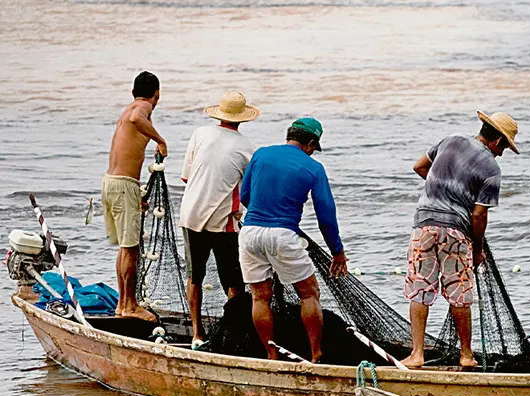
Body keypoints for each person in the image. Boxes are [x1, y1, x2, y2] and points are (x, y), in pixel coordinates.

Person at [401, 111, 520, 369]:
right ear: (497, 141)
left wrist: (442, 186)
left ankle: (417, 354)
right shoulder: (491, 168)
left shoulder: (450, 140)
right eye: (504, 148)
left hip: (424, 226)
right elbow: (478, 215)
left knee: (420, 289)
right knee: (459, 294)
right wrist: (478, 249)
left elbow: (419, 167)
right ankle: (466, 355)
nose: (502, 154)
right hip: (456, 231)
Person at [238, 117, 348, 362]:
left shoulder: (261, 154)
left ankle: (271, 354)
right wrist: (337, 251)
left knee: (260, 296)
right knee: (309, 293)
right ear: (310, 143)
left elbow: (245, 195)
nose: (312, 152)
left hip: (250, 231)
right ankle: (316, 354)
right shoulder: (314, 168)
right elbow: (326, 216)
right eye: (313, 147)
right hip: (283, 235)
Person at [179, 91, 258, 344]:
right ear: (242, 119)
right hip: (224, 222)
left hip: (190, 215)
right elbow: (247, 192)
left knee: (195, 276)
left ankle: (197, 333)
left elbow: (187, 177)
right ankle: (234, 333)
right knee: (234, 280)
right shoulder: (248, 148)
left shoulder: (200, 134)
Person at [103, 71, 166, 322]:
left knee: (126, 248)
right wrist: (160, 141)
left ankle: (123, 304)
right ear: (157, 94)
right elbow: (136, 118)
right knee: (130, 249)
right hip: (122, 185)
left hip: (111, 183)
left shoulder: (128, 107)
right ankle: (130, 305)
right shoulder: (141, 107)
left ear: (132, 91)